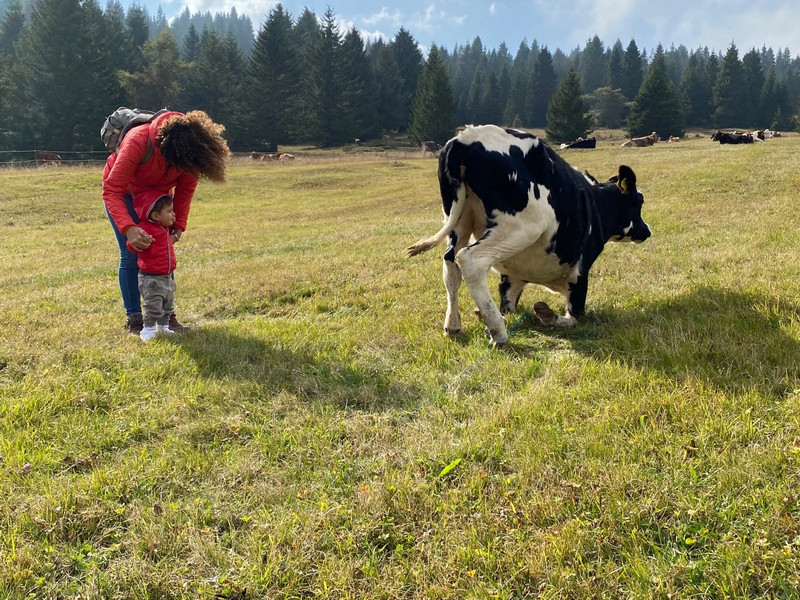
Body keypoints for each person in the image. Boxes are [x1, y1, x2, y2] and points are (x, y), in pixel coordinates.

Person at [102, 110, 230, 334]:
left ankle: (167, 317)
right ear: (167, 151)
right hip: (125, 195)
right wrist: (129, 228)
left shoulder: (190, 154)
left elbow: (184, 193)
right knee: (131, 254)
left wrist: (177, 227)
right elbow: (111, 189)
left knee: (163, 251)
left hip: (158, 201)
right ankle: (135, 318)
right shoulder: (138, 141)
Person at [126, 192, 178, 341]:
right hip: (151, 278)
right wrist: (136, 242)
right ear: (156, 216)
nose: (173, 214)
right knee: (153, 306)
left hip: (166, 276)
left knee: (167, 305)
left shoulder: (164, 228)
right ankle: (147, 329)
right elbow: (131, 244)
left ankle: (163, 327)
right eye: (169, 211)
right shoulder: (144, 229)